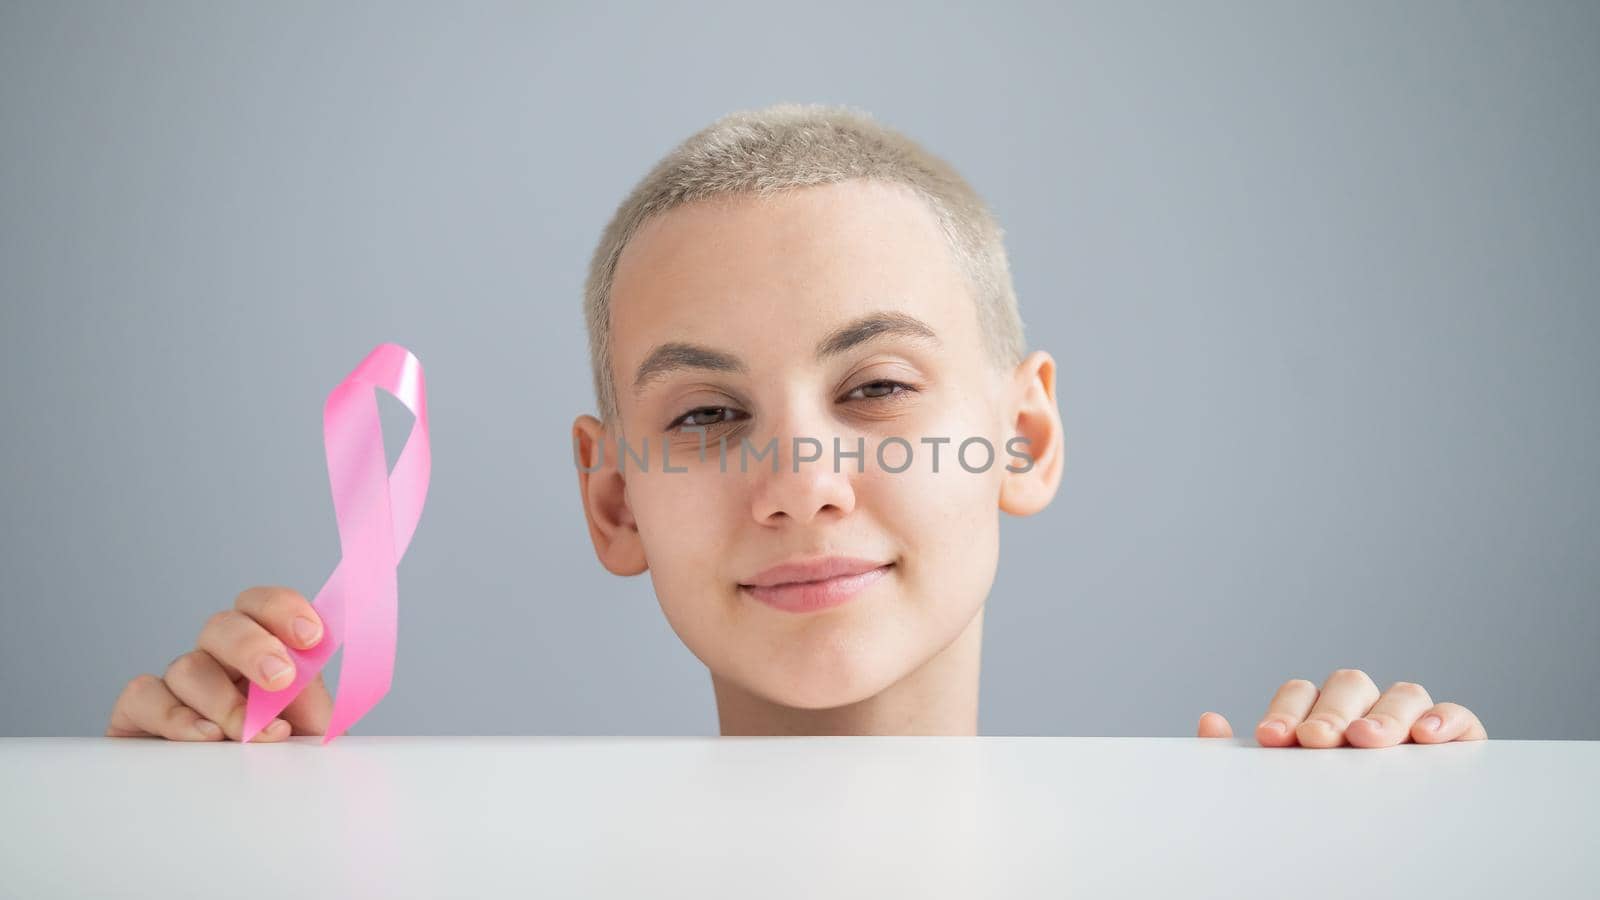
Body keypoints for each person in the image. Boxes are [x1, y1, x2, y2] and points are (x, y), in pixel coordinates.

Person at [106, 102, 1488, 746]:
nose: (801, 482)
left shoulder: (1238, 848)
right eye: (708, 414)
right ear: (612, 501)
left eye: (878, 389)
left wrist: (1390, 833)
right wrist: (189, 839)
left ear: (1024, 438)